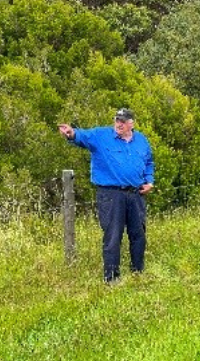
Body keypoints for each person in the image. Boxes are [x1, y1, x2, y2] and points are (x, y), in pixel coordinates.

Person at [58, 108, 154, 283]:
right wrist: (71, 134)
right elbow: (82, 137)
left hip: (136, 194)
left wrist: (149, 181)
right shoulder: (101, 136)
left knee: (138, 233)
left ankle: (138, 272)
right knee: (112, 235)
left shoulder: (141, 140)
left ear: (131, 123)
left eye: (123, 121)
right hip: (111, 195)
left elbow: (149, 162)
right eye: (117, 120)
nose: (119, 124)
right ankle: (111, 278)